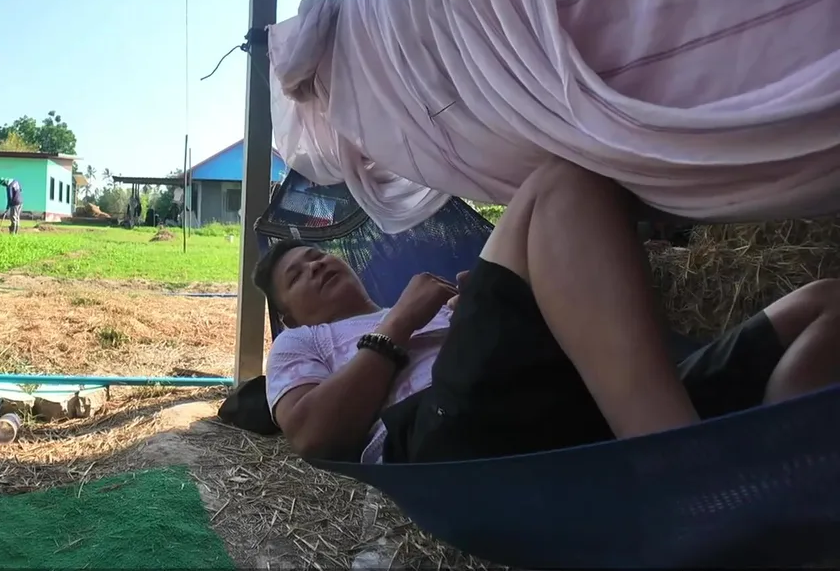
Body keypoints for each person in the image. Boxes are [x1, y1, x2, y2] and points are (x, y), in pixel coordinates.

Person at [253, 157, 840, 465]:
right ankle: (683, 469)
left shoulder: (428, 300)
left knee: (825, 303)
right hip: (446, 432)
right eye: (296, 275)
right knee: (561, 181)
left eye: (316, 254)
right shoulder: (301, 345)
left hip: (580, 396)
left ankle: (770, 476)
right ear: (291, 316)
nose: (316, 265)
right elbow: (313, 436)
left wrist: (496, 304)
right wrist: (398, 324)